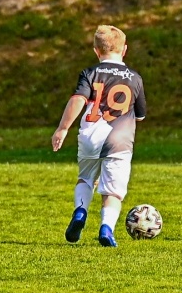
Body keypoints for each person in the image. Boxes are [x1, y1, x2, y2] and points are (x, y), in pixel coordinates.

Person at [51, 25, 147, 247]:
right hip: (120, 142)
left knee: (86, 178)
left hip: (90, 136)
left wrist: (63, 128)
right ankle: (106, 228)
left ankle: (80, 212)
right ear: (124, 50)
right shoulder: (134, 77)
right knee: (113, 191)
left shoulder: (90, 72)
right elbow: (140, 116)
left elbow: (78, 100)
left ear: (96, 50)